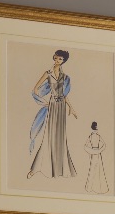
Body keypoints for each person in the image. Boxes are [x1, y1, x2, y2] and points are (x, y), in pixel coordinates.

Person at [27, 49, 78, 179]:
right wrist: (43, 102)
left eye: (60, 59)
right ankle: (37, 168)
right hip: (52, 105)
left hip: (61, 107)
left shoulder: (65, 77)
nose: (57, 60)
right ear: (54, 57)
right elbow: (35, 89)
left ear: (64, 61)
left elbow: (64, 95)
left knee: (60, 135)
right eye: (56, 58)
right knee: (49, 135)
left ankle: (60, 169)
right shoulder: (48, 73)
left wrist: (71, 108)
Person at [84, 121, 109, 194]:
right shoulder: (94, 136)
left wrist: (94, 151)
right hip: (96, 154)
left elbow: (85, 146)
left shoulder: (94, 136)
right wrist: (97, 151)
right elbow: (104, 145)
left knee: (95, 169)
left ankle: (92, 187)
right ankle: (94, 187)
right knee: (96, 169)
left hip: (96, 154)